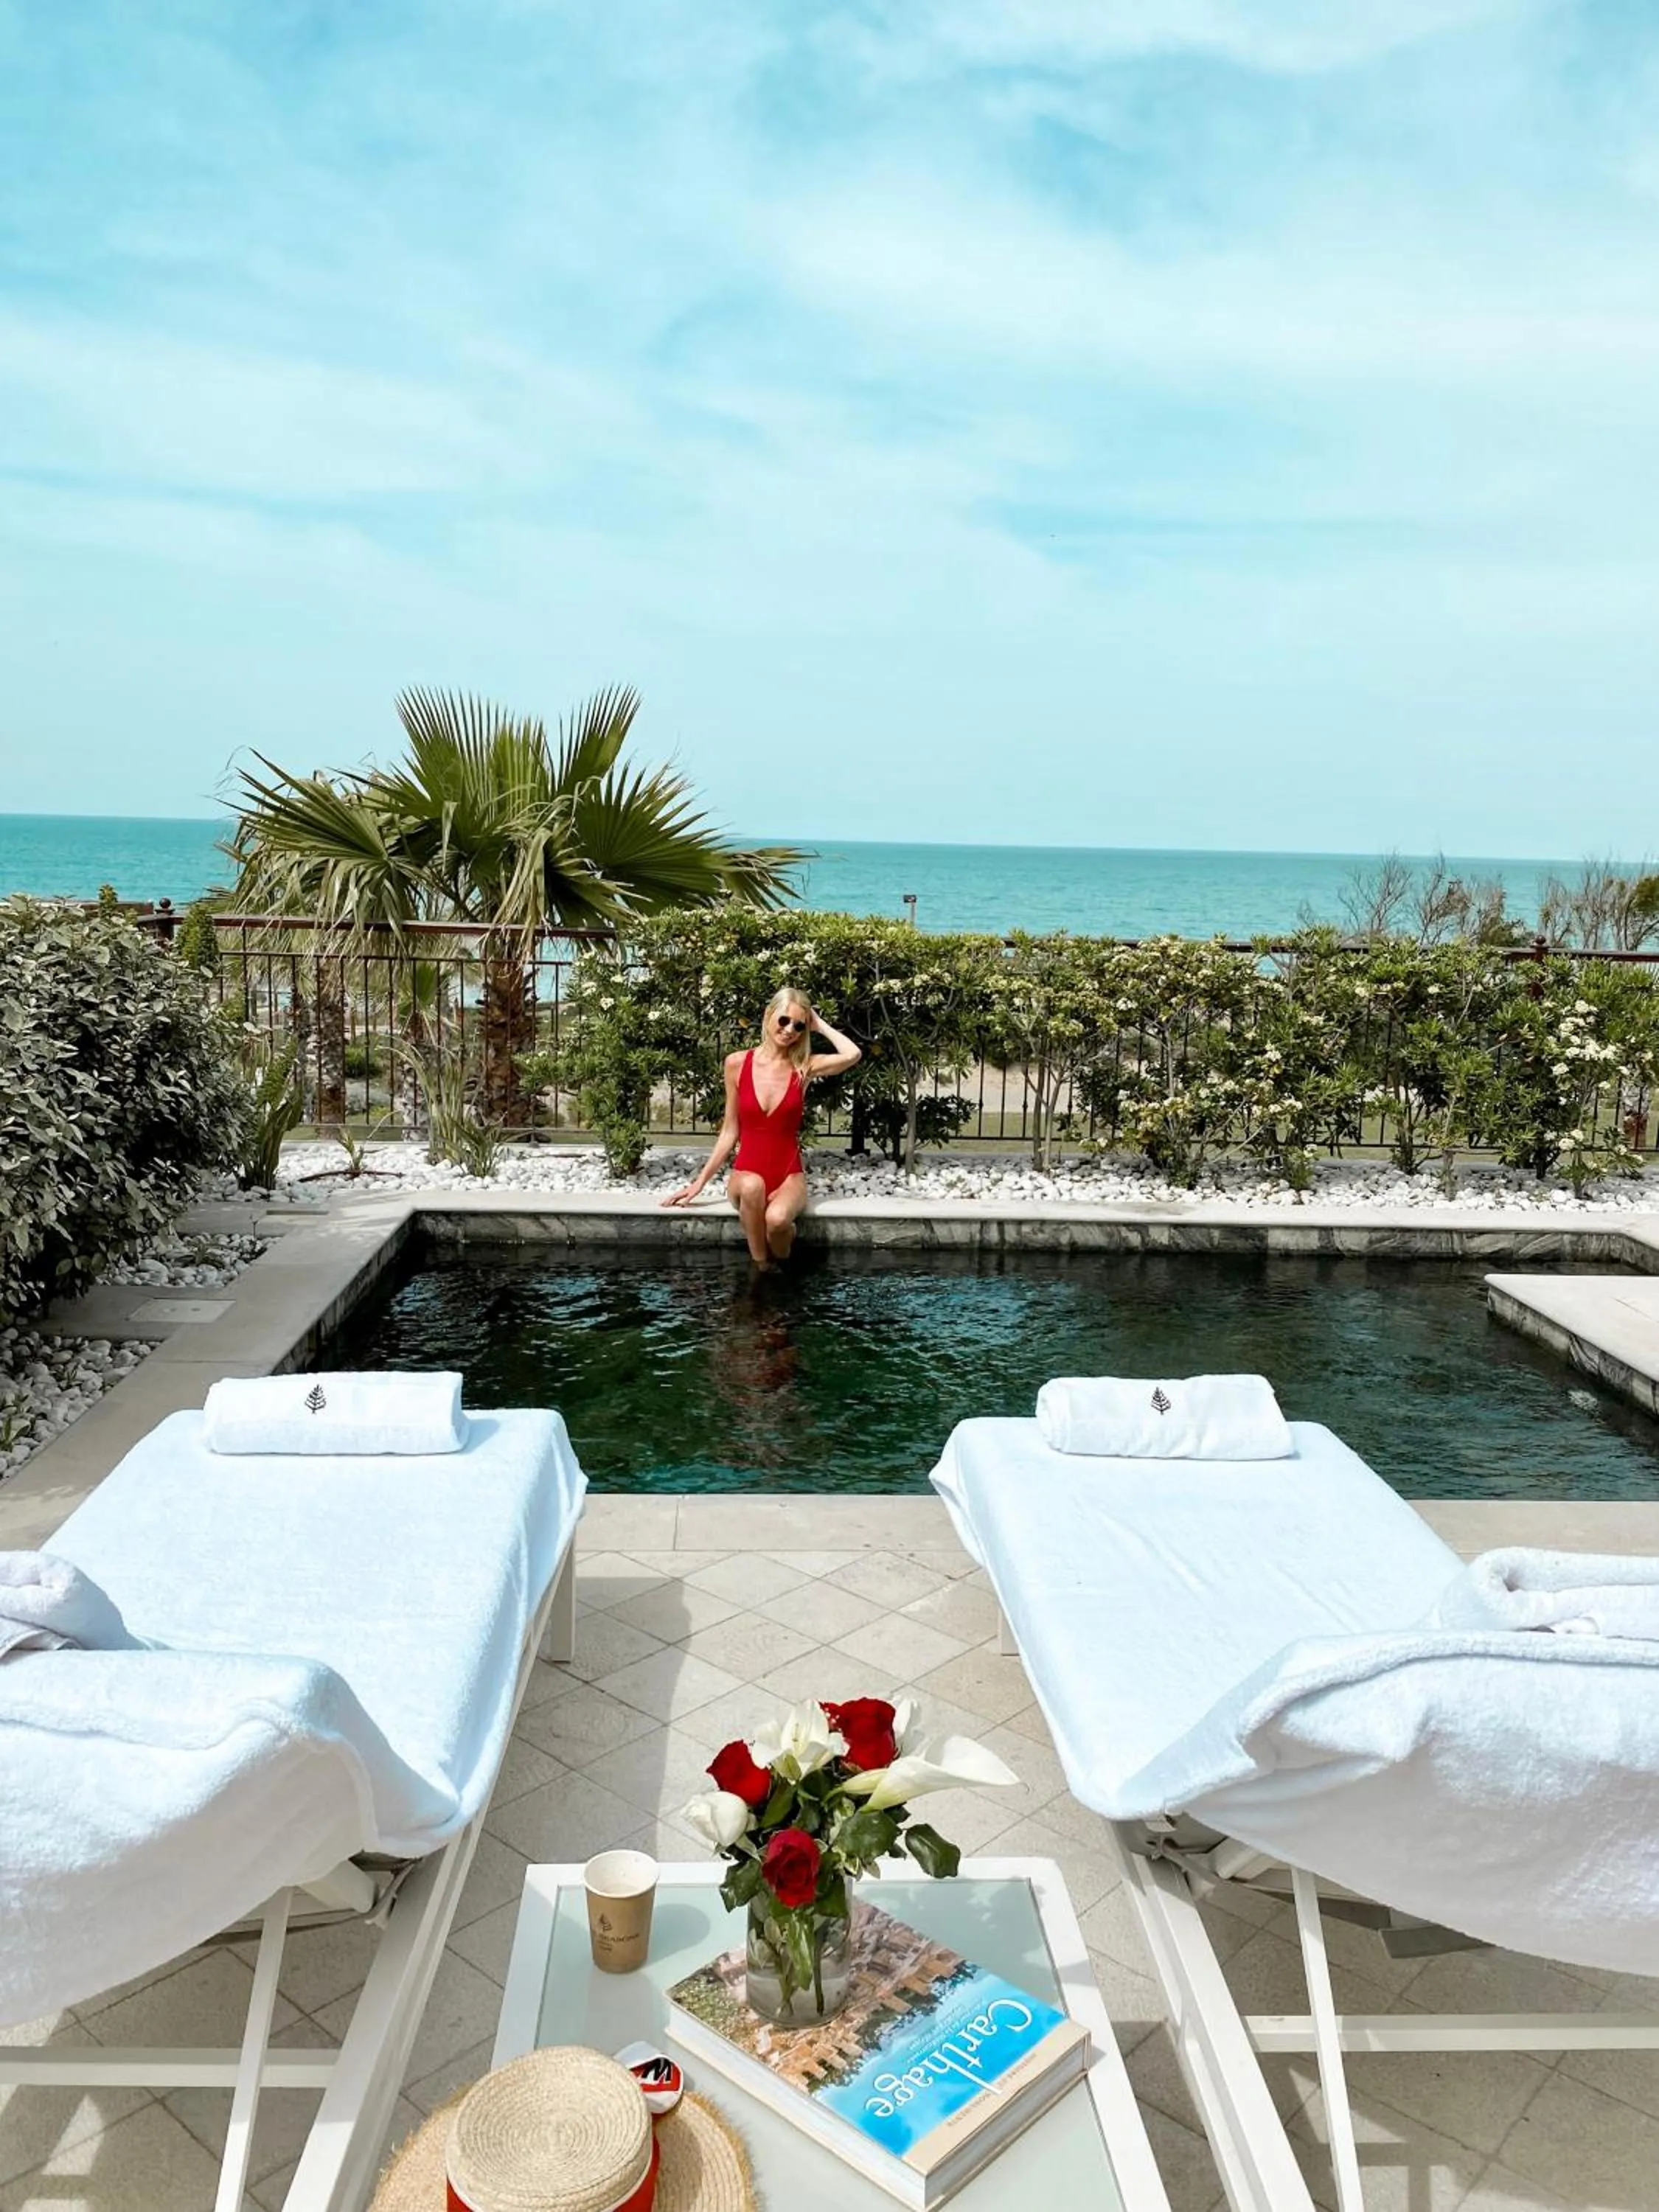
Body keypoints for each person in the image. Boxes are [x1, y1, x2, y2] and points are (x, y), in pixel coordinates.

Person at [661, 988, 861, 1264]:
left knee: (778, 1221)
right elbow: (730, 1131)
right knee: (754, 1186)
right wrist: (699, 1183)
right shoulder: (736, 1063)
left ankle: (783, 1260)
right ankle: (761, 1267)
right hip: (746, 1176)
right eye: (783, 1020)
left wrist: (820, 1024)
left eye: (799, 1025)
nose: (790, 1029)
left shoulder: (804, 1067)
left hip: (789, 1176)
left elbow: (853, 1054)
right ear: (769, 1016)